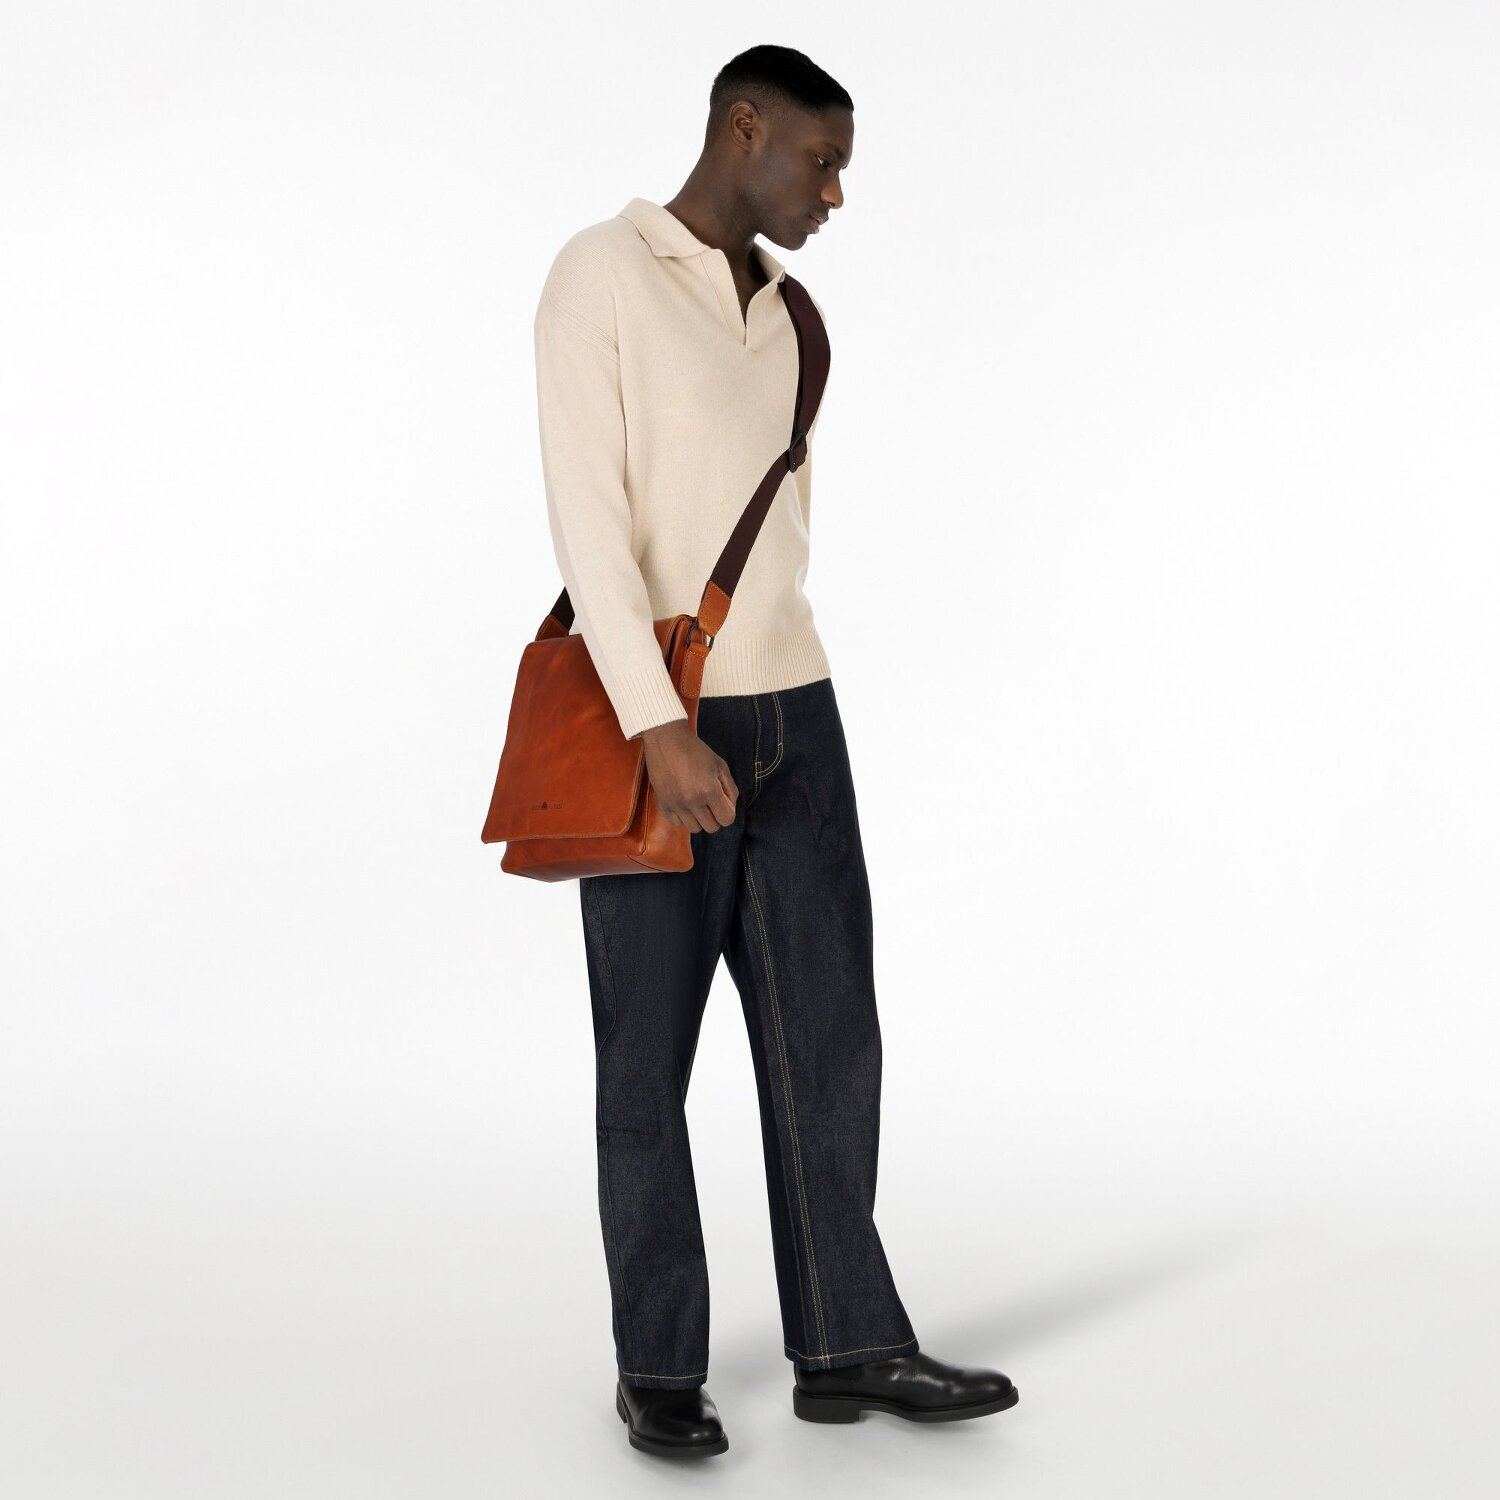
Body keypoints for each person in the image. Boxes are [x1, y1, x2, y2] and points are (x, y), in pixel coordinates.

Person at [532, 44, 1019, 1459]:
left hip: (797, 709)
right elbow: (588, 526)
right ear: (743, 128)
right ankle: (659, 1366)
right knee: (648, 1064)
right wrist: (656, 726)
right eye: (822, 160)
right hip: (659, 721)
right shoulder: (600, 276)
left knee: (830, 1041)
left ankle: (848, 1343)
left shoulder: (796, 318)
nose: (835, 194)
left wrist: (762, 701)